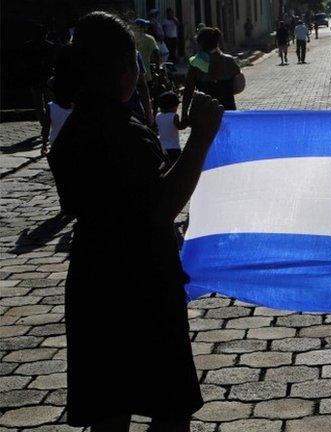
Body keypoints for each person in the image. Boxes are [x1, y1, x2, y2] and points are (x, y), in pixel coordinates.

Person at [48, 11, 223, 431]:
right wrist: (201, 137)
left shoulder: (73, 129)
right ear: (125, 71)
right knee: (168, 407)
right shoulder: (121, 131)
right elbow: (160, 207)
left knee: (109, 409)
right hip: (141, 283)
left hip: (94, 280)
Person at [182, 27, 245, 116]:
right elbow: (239, 86)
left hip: (205, 113)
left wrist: (184, 114)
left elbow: (188, 90)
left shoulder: (196, 63)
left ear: (200, 44)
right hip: (228, 111)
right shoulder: (229, 60)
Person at [42, 45, 75, 155]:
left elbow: (46, 128)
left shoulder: (51, 106)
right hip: (71, 142)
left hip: (55, 142)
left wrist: (44, 144)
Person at [155, 91, 187, 166]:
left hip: (162, 147)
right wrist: (187, 122)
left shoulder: (158, 116)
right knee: (175, 166)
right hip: (174, 147)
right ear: (174, 106)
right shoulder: (174, 116)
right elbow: (180, 127)